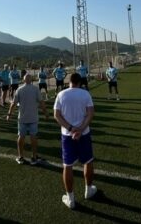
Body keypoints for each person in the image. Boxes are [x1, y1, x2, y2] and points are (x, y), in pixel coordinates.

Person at [54, 73, 96, 209]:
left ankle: (70, 199)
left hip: (67, 135)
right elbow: (90, 113)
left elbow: (57, 115)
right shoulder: (85, 94)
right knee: (88, 161)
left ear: (69, 81)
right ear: (80, 82)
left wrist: (71, 129)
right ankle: (88, 190)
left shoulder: (61, 94)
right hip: (84, 134)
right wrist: (81, 129)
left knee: (68, 165)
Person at [7, 74, 48, 165]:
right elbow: (41, 102)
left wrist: (9, 114)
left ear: (24, 80)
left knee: (21, 137)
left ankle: (20, 156)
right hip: (33, 117)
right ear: (31, 80)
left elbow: (13, 104)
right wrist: (45, 113)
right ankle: (34, 157)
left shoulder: (19, 89)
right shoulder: (35, 89)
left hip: (22, 118)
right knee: (33, 137)